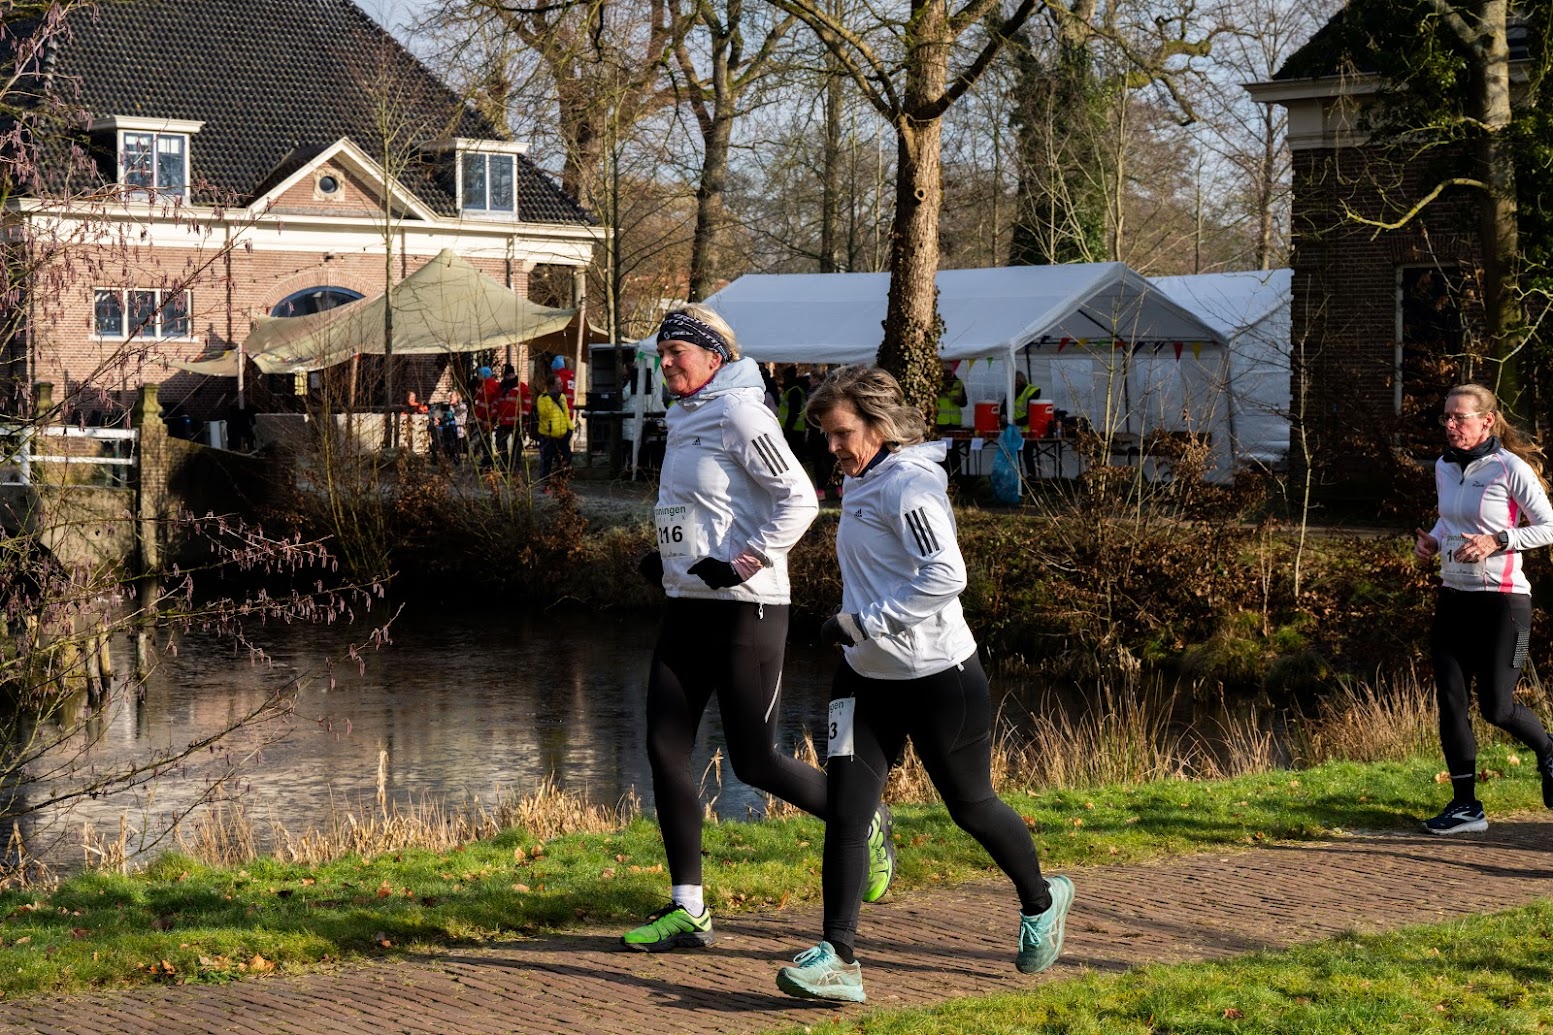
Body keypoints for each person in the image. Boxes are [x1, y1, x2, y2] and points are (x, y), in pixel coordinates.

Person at [777, 365, 1072, 1003]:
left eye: (841, 434)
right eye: (826, 435)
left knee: (971, 807)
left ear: (879, 427)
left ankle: (1041, 899)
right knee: (848, 813)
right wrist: (854, 628)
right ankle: (838, 957)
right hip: (864, 677)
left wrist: (866, 620)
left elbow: (946, 575)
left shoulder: (909, 487)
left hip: (938, 676)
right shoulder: (864, 478)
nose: (832, 447)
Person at [622, 304, 893, 953]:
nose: (664, 362)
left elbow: (799, 498)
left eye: (676, 352)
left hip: (748, 608)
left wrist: (741, 562)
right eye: (660, 352)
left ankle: (863, 816)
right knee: (663, 747)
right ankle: (688, 907)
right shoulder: (683, 416)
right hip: (686, 603)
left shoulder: (741, 412)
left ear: (713, 356)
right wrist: (670, 560)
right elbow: (705, 510)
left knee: (754, 760)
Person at [1413, 383, 1553, 835]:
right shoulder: (1444, 466)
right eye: (1446, 417)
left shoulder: (1509, 468)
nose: (1450, 425)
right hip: (1454, 596)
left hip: (1503, 601)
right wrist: (1434, 540)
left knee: (1497, 707)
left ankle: (1549, 749)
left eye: (1460, 417)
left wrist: (1499, 540)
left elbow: (1548, 527)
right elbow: (1449, 517)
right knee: (1451, 701)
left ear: (1487, 421)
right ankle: (1466, 807)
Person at [535, 374, 573, 490]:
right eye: (558, 383)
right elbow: (544, 414)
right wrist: (551, 399)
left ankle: (561, 483)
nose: (561, 385)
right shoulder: (542, 398)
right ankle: (545, 484)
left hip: (562, 435)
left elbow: (566, 414)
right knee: (547, 461)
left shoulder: (562, 397)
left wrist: (569, 428)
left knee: (566, 459)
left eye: (561, 383)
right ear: (551, 385)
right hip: (548, 436)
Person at [472, 365, 501, 469]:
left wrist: (484, 419)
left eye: (479, 374)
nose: (477, 376)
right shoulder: (483, 386)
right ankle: (487, 460)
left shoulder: (487, 388)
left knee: (483, 440)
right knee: (485, 440)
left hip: (486, 418)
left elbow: (485, 406)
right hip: (484, 418)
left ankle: (487, 461)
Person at [496, 363, 524, 471]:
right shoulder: (501, 388)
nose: (508, 377)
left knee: (517, 445)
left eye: (510, 375)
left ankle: (515, 466)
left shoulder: (521, 387)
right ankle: (505, 465)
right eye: (506, 375)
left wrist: (524, 417)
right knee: (500, 442)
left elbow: (526, 403)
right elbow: (497, 403)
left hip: (516, 422)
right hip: (503, 422)